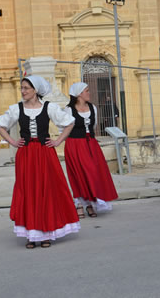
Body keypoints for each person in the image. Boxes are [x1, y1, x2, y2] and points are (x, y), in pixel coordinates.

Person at [0, 76, 80, 249]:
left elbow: (69, 123)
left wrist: (58, 141)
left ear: (35, 90)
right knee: (27, 191)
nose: (23, 91)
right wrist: (12, 141)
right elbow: (0, 125)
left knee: (46, 190)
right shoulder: (17, 109)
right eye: (22, 88)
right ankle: (31, 233)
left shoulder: (49, 107)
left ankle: (46, 232)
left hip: (44, 153)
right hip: (26, 154)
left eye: (26, 88)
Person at [63, 82, 118, 218]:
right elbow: (63, 129)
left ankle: (91, 203)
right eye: (86, 91)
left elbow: (93, 126)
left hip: (91, 144)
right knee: (79, 174)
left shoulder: (93, 107)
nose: (89, 93)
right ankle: (81, 204)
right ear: (79, 94)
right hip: (75, 144)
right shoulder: (69, 110)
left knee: (94, 172)